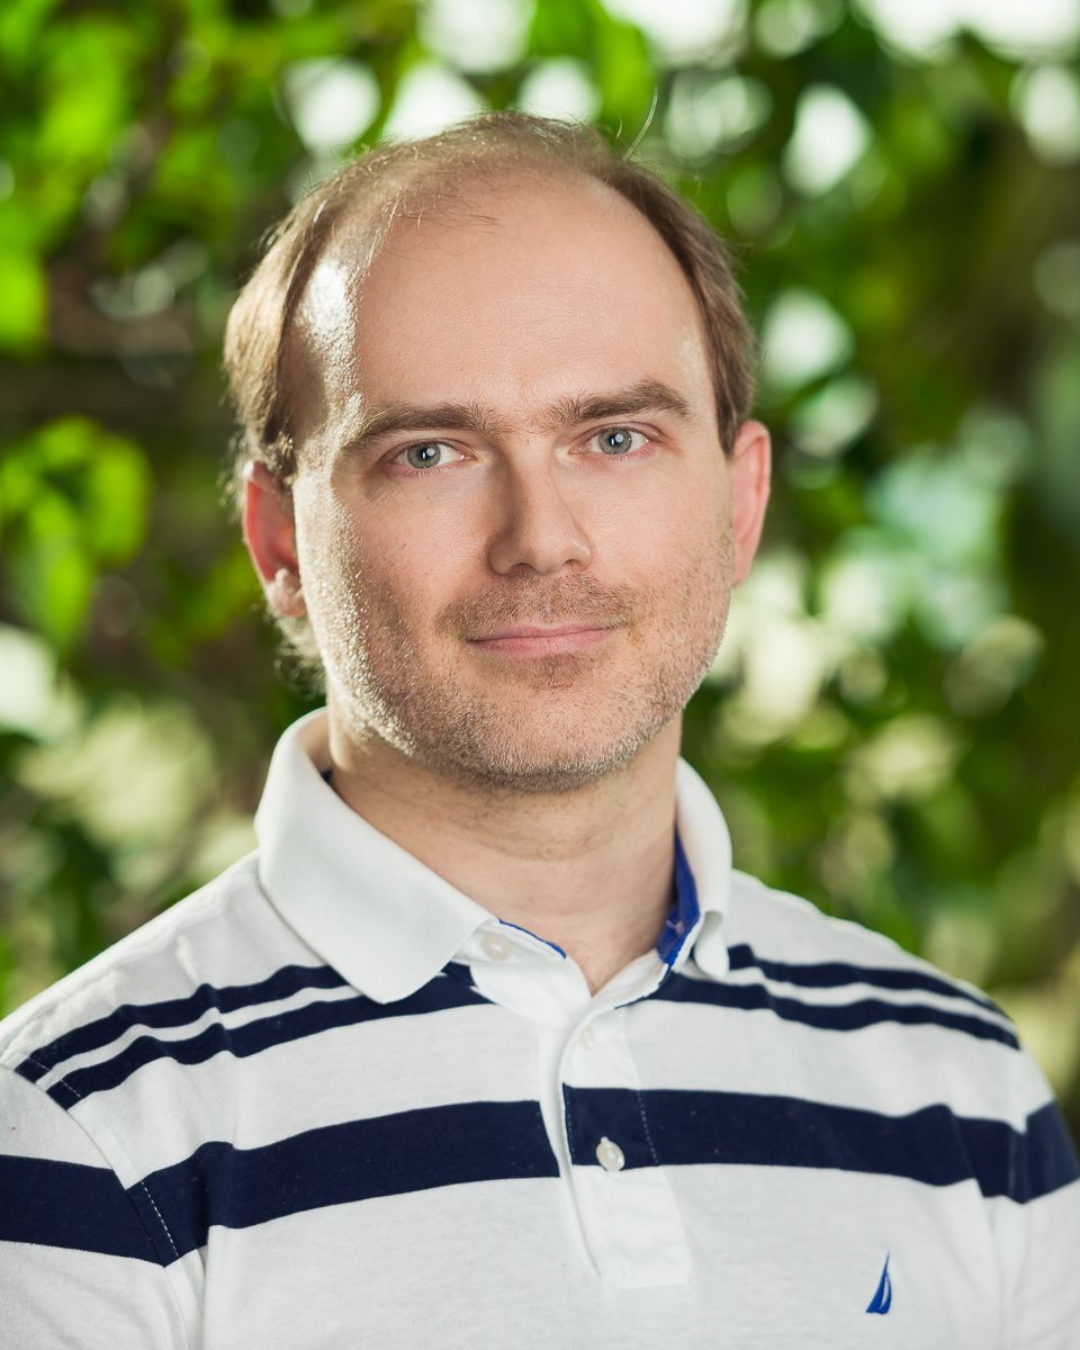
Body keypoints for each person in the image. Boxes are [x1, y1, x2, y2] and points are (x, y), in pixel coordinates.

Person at [1, 112, 1077, 1349]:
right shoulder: (78, 1134)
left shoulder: (962, 1094)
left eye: (614, 438)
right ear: (279, 541)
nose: (541, 540)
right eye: (430, 452)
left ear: (741, 503)